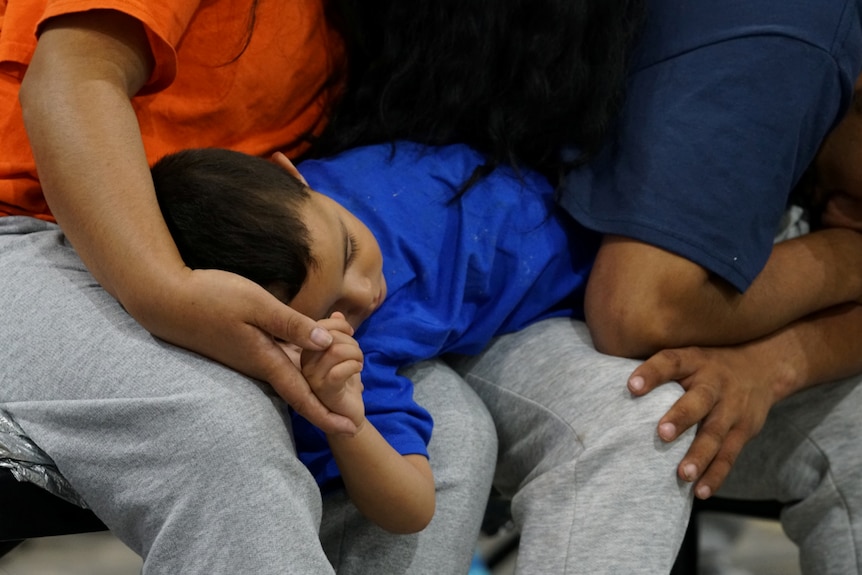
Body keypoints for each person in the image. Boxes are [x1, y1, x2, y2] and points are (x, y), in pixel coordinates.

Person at [319, 0, 862, 573]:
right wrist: (847, 259)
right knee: (642, 422)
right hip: (475, 298)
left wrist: (776, 363)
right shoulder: (797, 35)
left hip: (502, 268)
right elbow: (636, 309)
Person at [0, 2, 498, 573]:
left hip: (215, 252)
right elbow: (73, 75)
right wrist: (171, 292)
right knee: (220, 431)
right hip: (25, 229)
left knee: (450, 435)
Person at [148, 143, 597, 530]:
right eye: (328, 312)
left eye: (349, 251)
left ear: (292, 173)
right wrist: (348, 424)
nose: (365, 296)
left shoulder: (292, 194)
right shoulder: (340, 354)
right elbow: (412, 509)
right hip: (606, 300)